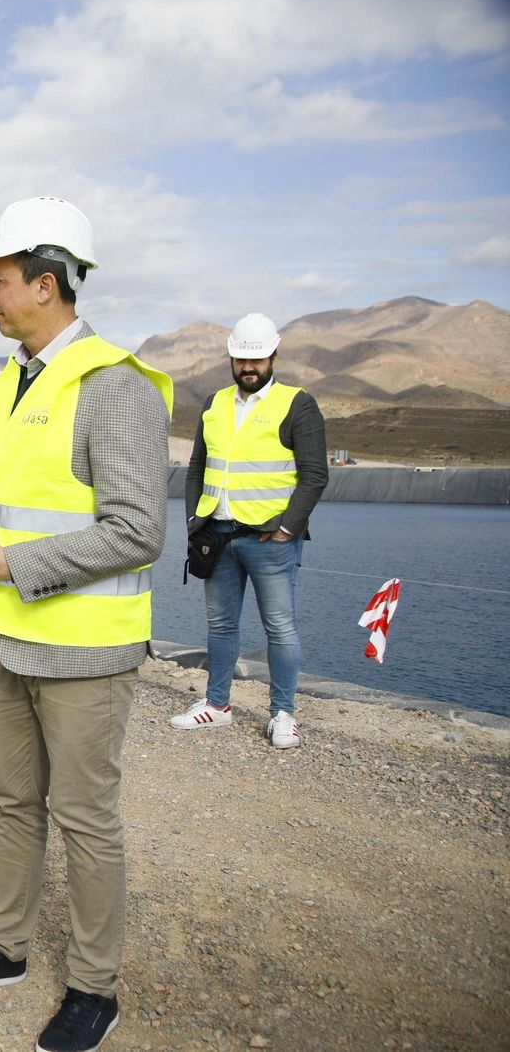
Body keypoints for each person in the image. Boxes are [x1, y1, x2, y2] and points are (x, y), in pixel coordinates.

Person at [0, 196, 171, 1052]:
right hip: (4, 639)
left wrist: (13, 564)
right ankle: (4, 947)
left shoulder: (115, 387)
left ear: (45, 282)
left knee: (86, 819)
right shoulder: (2, 390)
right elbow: (0, 511)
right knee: (13, 801)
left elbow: (138, 529)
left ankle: (95, 988)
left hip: (86, 652)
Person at [171, 313, 327, 749]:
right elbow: (197, 467)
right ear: (231, 359)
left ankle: (283, 714)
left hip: (269, 540)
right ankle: (217, 705)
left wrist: (288, 529)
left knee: (280, 628)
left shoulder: (297, 404)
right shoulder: (214, 403)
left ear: (273, 357)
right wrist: (193, 521)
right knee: (220, 625)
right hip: (217, 536)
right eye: (241, 359)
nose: (248, 367)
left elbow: (315, 474)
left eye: (256, 359)